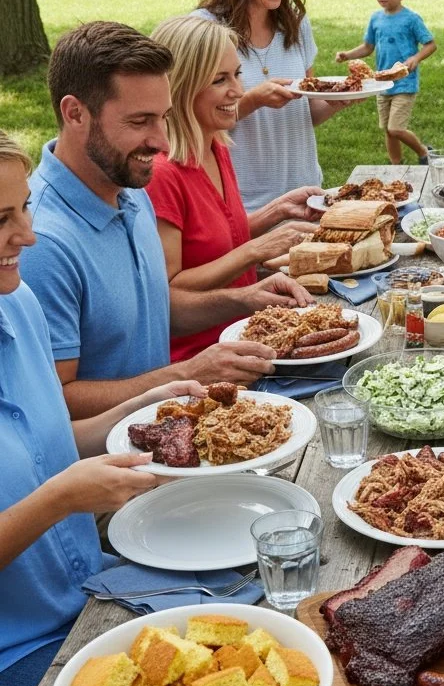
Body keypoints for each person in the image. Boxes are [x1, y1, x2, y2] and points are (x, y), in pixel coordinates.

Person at [0, 132, 204, 686]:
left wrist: (140, 407)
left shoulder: (17, 302)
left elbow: (48, 442)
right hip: (16, 651)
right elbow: (54, 484)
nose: (28, 237)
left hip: (89, 586)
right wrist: (61, 499)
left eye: (25, 208)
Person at [20, 21, 281, 420]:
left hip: (172, 432)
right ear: (75, 113)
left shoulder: (130, 189)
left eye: (164, 117)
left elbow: (153, 314)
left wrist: (246, 300)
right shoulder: (41, 242)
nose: (161, 141)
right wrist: (186, 373)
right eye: (140, 122)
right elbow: (56, 399)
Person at [147, 15, 317, 362]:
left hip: (253, 332)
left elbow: (218, 240)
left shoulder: (215, 144)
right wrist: (257, 250)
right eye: (219, 80)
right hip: (204, 357)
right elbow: (169, 292)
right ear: (181, 87)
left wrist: (277, 211)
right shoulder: (162, 174)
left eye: (237, 74)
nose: (238, 91)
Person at [194, 0, 357, 209]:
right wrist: (253, 100)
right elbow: (191, 124)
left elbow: (307, 111)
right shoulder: (205, 30)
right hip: (243, 206)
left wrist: (338, 99)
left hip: (306, 197)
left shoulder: (295, 22)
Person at [335, 0, 436, 165]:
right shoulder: (376, 19)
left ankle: (424, 152)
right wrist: (347, 54)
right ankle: (395, 165)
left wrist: (415, 58)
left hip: (404, 83)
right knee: (388, 131)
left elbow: (430, 45)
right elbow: (367, 47)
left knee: (395, 128)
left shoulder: (411, 19)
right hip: (381, 83)